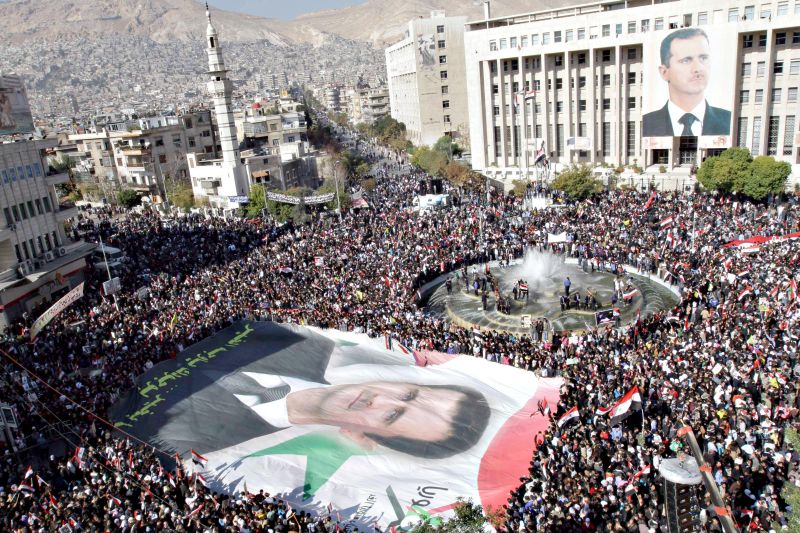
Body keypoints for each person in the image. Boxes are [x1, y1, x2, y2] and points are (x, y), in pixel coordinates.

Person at [224, 372, 491, 459]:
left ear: (361, 437)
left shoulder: (226, 440)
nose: (379, 399)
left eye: (390, 416)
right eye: (408, 395)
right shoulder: (311, 348)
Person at [642, 27, 731, 137]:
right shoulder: (647, 124)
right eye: (686, 60)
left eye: (703, 58)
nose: (698, 68)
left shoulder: (728, 121)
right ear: (664, 72)